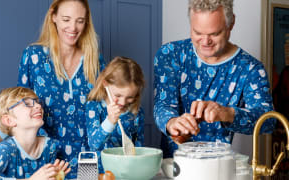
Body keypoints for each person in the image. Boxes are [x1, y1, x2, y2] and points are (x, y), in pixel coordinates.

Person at [0, 0, 105, 178]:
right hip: (46, 160)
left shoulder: (95, 61)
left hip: (89, 158)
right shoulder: (34, 57)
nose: (73, 27)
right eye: (66, 19)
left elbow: (104, 116)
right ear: (53, 16)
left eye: (80, 20)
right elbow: (15, 111)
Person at [154, 0, 275, 158]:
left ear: (231, 24)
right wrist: (171, 122)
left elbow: (268, 122)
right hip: (172, 165)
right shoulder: (170, 54)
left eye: (214, 34)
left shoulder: (251, 68)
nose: (205, 42)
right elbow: (162, 106)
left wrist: (228, 113)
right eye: (197, 33)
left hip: (219, 167)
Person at [0, 87, 70, 180]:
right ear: (9, 120)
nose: (38, 106)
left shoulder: (50, 146)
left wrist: (56, 176)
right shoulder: (7, 149)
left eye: (37, 102)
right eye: (27, 104)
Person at [85, 56, 145, 172]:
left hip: (125, 172)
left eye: (130, 97)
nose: (123, 102)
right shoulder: (94, 107)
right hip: (98, 172)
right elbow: (93, 144)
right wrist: (110, 121)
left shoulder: (136, 112)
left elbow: (138, 147)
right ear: (105, 84)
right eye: (118, 96)